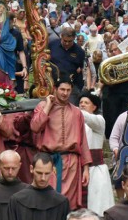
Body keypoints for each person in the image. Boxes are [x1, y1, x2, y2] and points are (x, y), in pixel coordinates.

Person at [29, 77, 92, 209]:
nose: (65, 93)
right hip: (49, 162)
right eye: (62, 89)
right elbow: (35, 127)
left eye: (68, 90)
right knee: (47, 200)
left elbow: (83, 142)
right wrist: (48, 106)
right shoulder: (43, 106)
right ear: (55, 89)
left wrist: (86, 168)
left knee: (68, 203)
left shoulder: (76, 112)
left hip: (71, 163)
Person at [78, 91, 114, 215]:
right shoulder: (75, 121)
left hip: (95, 168)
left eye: (86, 103)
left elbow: (86, 117)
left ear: (94, 107)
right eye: (80, 102)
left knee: (97, 207)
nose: (82, 105)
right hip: (78, 168)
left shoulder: (99, 120)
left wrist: (68, 108)